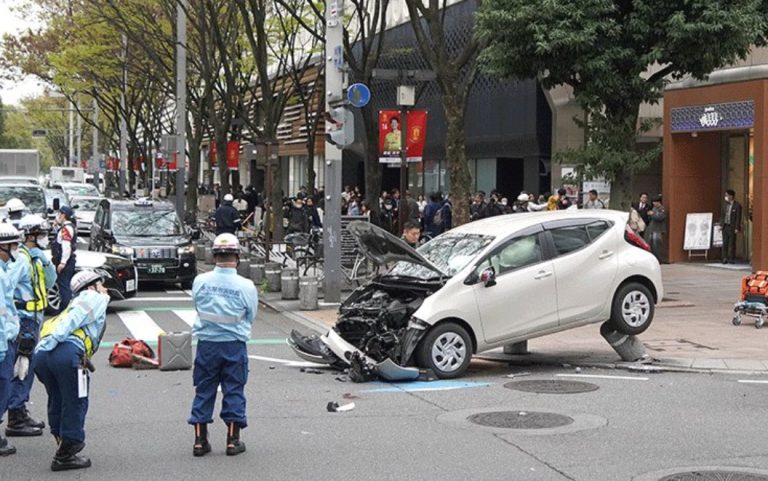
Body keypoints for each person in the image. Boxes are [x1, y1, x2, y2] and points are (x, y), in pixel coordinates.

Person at [189, 234, 257, 457]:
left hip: (207, 344)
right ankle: (232, 441)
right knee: (234, 390)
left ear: (214, 255)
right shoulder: (246, 286)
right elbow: (251, 314)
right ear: (237, 257)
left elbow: (197, 306)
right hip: (234, 345)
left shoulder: (201, 281)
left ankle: (200, 441)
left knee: (204, 390)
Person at [34, 270, 110, 471]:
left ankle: (61, 440)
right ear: (91, 286)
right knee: (76, 400)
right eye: (101, 284)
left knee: (57, 397)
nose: (105, 288)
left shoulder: (70, 304)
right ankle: (67, 451)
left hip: (42, 355)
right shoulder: (92, 297)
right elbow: (72, 322)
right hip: (66, 352)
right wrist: (58, 340)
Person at [6, 215, 56, 438]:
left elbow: (51, 281)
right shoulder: (22, 261)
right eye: (42, 234)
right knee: (22, 368)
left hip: (34, 319)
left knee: (27, 368)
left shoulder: (35, 258)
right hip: (24, 320)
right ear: (31, 236)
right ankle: (16, 416)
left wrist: (46, 261)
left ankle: (20, 410)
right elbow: (7, 289)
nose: (45, 238)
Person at [0, 223, 24, 456]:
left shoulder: (4, 270)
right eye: (13, 244)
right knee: (2, 386)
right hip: (1, 342)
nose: (17, 248)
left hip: (7, 337)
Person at [52, 206, 77, 313]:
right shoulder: (66, 227)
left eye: (59, 214)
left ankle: (66, 310)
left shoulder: (66, 229)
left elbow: (66, 246)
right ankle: (65, 309)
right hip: (66, 261)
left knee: (64, 286)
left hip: (65, 262)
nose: (58, 216)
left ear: (63, 215)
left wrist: (62, 263)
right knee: (63, 285)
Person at [721, 189, 743, 264]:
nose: (726, 197)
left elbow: (738, 217)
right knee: (725, 242)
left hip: (732, 226)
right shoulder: (725, 204)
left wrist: (737, 228)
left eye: (727, 195)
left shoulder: (737, 206)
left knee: (732, 243)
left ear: (731, 196)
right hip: (725, 226)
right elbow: (722, 215)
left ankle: (731, 258)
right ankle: (724, 258)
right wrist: (721, 225)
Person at [645, 196, 666, 261]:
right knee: (651, 243)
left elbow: (660, 218)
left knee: (656, 244)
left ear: (658, 202)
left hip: (658, 229)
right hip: (652, 228)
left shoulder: (662, 209)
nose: (654, 203)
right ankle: (653, 258)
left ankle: (658, 258)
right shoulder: (654, 208)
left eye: (655, 202)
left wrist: (652, 214)